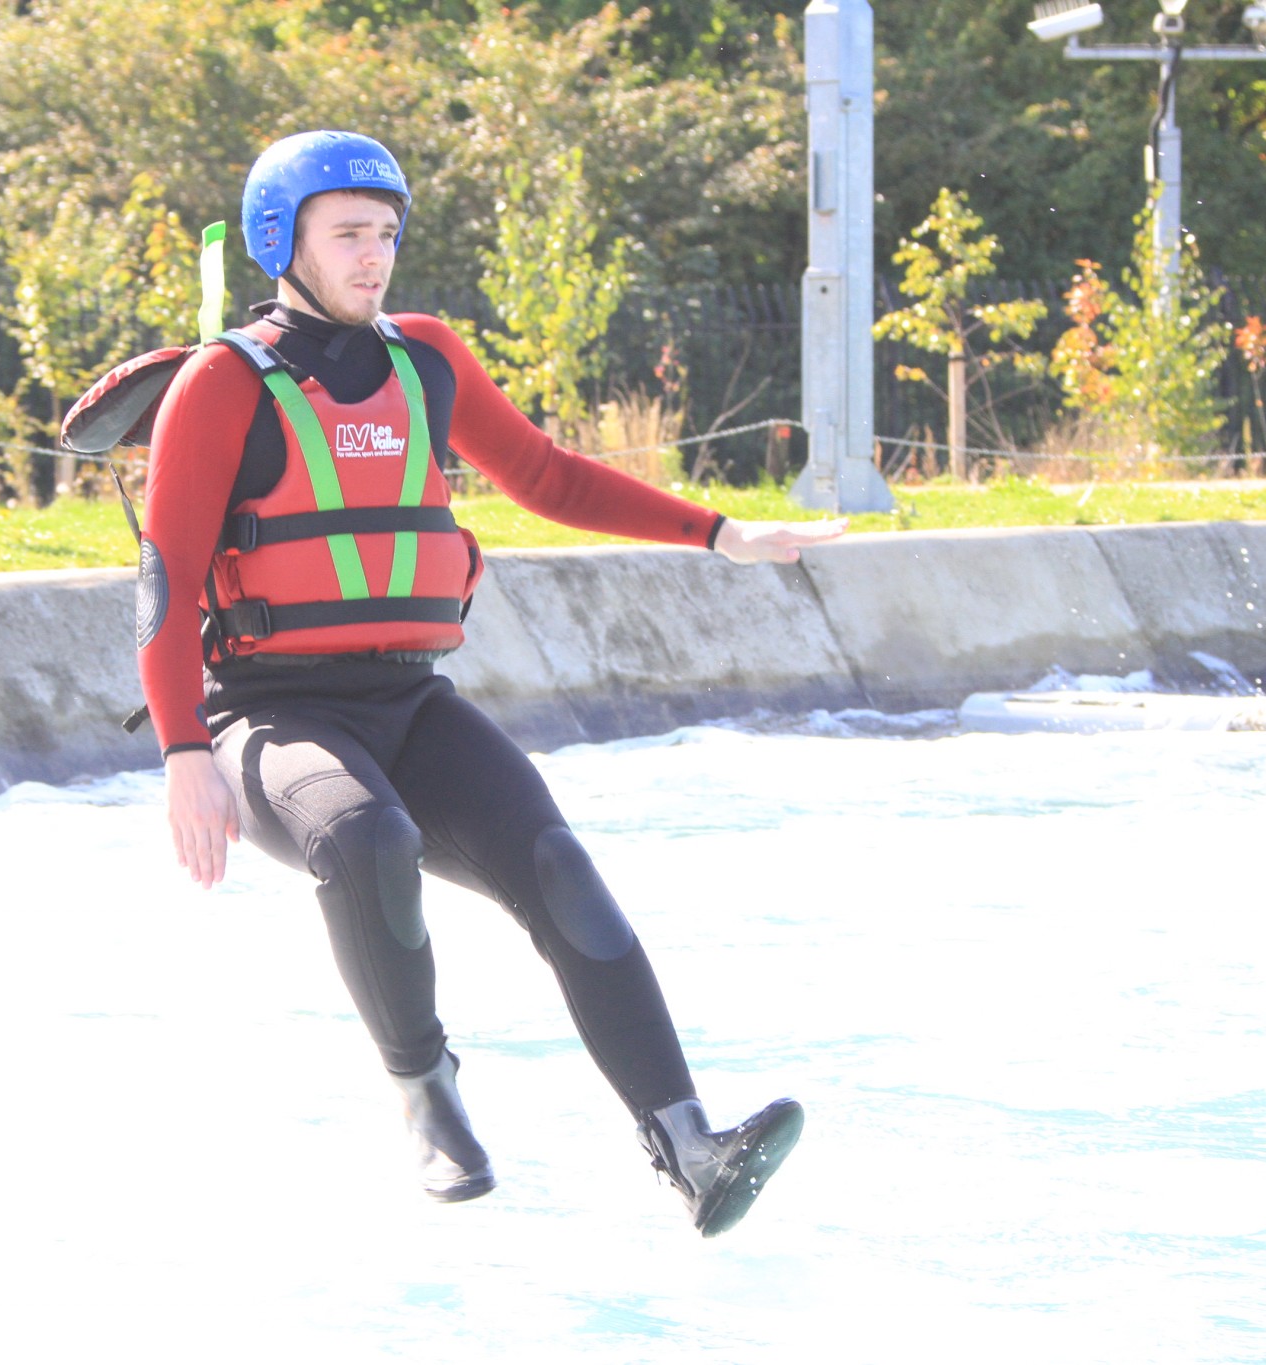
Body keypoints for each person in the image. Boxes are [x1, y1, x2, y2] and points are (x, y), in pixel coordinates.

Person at [134, 130, 845, 1237]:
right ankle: (425, 1093)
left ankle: (690, 1147)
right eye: (347, 234)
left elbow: (548, 477)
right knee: (367, 838)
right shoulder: (222, 382)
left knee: (558, 869)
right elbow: (167, 581)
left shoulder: (424, 358)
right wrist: (184, 752)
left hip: (411, 701)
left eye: (385, 233)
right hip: (269, 714)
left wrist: (720, 532)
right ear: (282, 240)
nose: (373, 255)